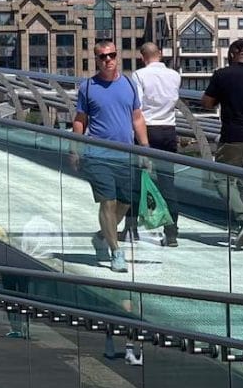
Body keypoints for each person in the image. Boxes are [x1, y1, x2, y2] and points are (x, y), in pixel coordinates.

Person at [71, 39, 150, 273]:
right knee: (109, 201)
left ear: (117, 56)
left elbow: (137, 117)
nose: (108, 60)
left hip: (125, 154)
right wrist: (76, 149)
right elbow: (80, 120)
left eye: (111, 55)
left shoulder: (128, 83)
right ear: (95, 59)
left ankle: (102, 235)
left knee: (125, 203)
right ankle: (116, 252)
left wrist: (145, 148)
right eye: (102, 56)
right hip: (97, 154)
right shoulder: (87, 87)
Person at [201, 39, 243, 249]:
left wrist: (223, 97)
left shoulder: (222, 75)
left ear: (231, 55)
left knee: (221, 178)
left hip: (233, 136)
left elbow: (208, 103)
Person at [133, 42, 182, 246]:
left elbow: (137, 105)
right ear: (160, 54)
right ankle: (171, 231)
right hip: (169, 130)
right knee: (167, 182)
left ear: (142, 57)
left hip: (147, 129)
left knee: (138, 179)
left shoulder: (139, 75)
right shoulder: (175, 75)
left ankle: (131, 227)